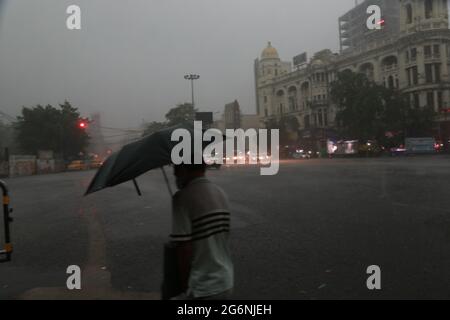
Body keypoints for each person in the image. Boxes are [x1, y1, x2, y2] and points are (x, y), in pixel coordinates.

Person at [168, 162, 234, 300]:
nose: (174, 174)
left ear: (184, 169)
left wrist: (186, 288)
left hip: (203, 288)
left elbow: (184, 249)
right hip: (226, 281)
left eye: (176, 169)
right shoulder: (220, 192)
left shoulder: (182, 198)